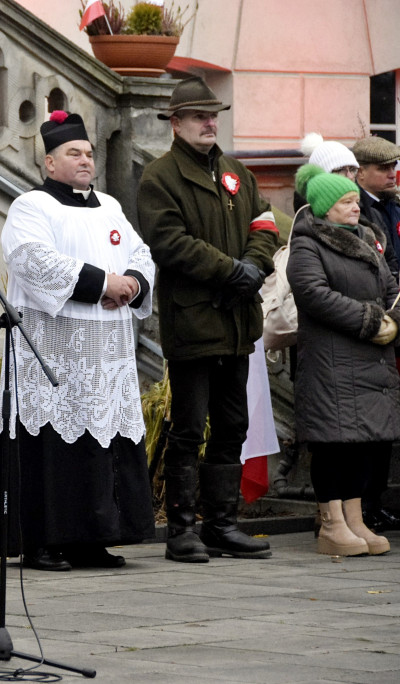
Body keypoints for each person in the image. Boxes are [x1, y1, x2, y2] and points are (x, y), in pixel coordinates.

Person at [0, 110, 155, 572]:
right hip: (54, 351)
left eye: (88, 153)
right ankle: (43, 541)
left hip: (108, 352)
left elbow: (140, 253)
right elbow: (32, 259)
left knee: (101, 441)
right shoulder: (31, 206)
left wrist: (135, 283)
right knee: (51, 444)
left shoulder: (110, 207)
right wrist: (105, 283)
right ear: (49, 163)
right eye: (73, 153)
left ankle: (92, 538)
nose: (84, 161)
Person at [137, 76, 278, 563]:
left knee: (233, 426)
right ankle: (181, 529)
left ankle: (222, 523)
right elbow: (170, 243)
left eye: (213, 115)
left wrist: (255, 266)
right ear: (175, 124)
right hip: (194, 324)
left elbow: (265, 224)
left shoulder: (237, 171)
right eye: (199, 116)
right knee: (189, 427)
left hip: (238, 321)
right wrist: (230, 271)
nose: (210, 123)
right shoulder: (161, 177)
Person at [287, 164, 396, 556]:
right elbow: (314, 294)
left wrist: (393, 318)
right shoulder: (308, 243)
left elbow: (389, 286)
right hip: (331, 359)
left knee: (363, 443)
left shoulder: (367, 238)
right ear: (325, 208)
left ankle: (355, 519)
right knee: (333, 443)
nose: (355, 208)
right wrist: (371, 320)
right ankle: (332, 523)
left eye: (355, 200)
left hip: (368, 359)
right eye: (346, 202)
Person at [352, 136, 400, 532]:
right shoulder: (356, 210)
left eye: (393, 166)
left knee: (385, 421)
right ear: (361, 170)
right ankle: (363, 503)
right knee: (368, 423)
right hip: (379, 320)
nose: (391, 173)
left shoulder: (392, 205)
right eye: (383, 168)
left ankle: (377, 501)